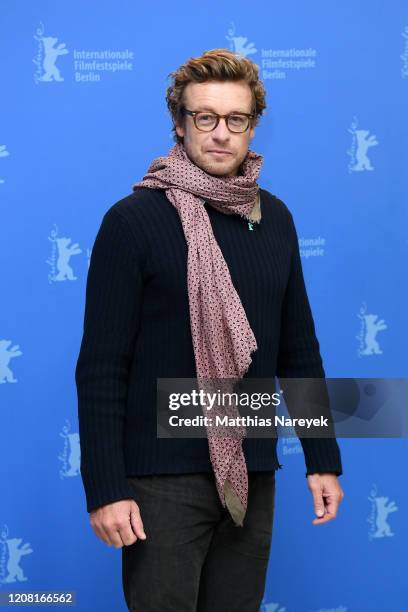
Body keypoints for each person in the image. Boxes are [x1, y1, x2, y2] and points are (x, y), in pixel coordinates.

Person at [75, 48, 345, 612]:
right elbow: (101, 369)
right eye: (205, 118)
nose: (221, 134)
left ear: (252, 126)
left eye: (236, 120)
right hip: (158, 483)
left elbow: (299, 349)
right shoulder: (133, 222)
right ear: (180, 123)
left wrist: (322, 456)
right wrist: (106, 489)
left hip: (253, 475)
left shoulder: (275, 219)